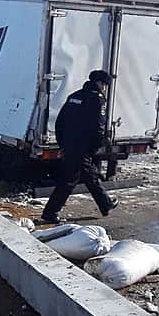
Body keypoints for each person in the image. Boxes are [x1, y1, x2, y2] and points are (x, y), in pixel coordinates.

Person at [41, 70, 118, 223]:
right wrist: (94, 148)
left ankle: (106, 204)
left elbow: (60, 122)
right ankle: (50, 213)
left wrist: (63, 142)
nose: (105, 88)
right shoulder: (97, 100)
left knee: (85, 177)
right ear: (100, 83)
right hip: (82, 148)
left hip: (70, 145)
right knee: (73, 180)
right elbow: (98, 127)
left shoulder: (74, 96)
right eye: (105, 85)